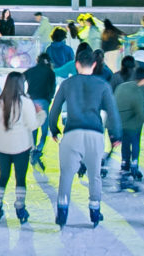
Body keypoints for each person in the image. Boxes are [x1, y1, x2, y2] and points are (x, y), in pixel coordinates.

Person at [47, 47, 121, 229]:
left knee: (66, 174)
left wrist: (54, 129)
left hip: (72, 133)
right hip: (95, 134)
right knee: (94, 175)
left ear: (77, 64)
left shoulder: (67, 84)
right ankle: (95, 211)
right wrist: (115, 135)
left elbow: (55, 108)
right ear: (94, 64)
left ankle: (62, 211)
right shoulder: (102, 85)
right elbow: (112, 112)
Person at [0, 71, 45, 223]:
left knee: (3, 176)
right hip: (21, 145)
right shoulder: (25, 102)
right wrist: (41, 114)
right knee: (20, 178)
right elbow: (32, 124)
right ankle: (20, 209)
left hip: (2, 145)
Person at [115, 65, 144, 190]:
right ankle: (134, 165)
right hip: (133, 125)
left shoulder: (122, 87)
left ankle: (124, 164)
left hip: (120, 123)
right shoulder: (137, 91)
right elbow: (140, 112)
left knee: (125, 145)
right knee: (135, 143)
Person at [23, 53, 55, 171]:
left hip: (32, 100)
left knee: (33, 127)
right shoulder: (50, 72)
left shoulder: (31, 71)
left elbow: (20, 79)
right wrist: (49, 98)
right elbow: (53, 88)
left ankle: (32, 148)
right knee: (44, 127)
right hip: (44, 100)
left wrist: (24, 95)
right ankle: (39, 148)